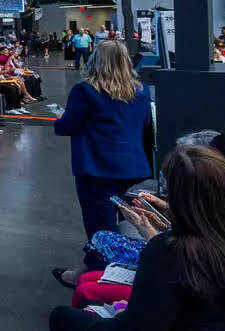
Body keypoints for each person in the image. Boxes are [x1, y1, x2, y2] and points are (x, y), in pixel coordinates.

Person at [49, 145, 225, 330]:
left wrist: (146, 229)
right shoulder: (224, 237)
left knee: (63, 315)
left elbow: (135, 325)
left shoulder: (169, 252)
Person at [54, 39, 153, 242]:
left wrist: (59, 120)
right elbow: (144, 126)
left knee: (100, 228)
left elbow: (67, 127)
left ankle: (98, 269)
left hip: (97, 169)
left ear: (95, 61)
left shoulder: (85, 91)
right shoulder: (142, 91)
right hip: (133, 168)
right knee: (131, 224)